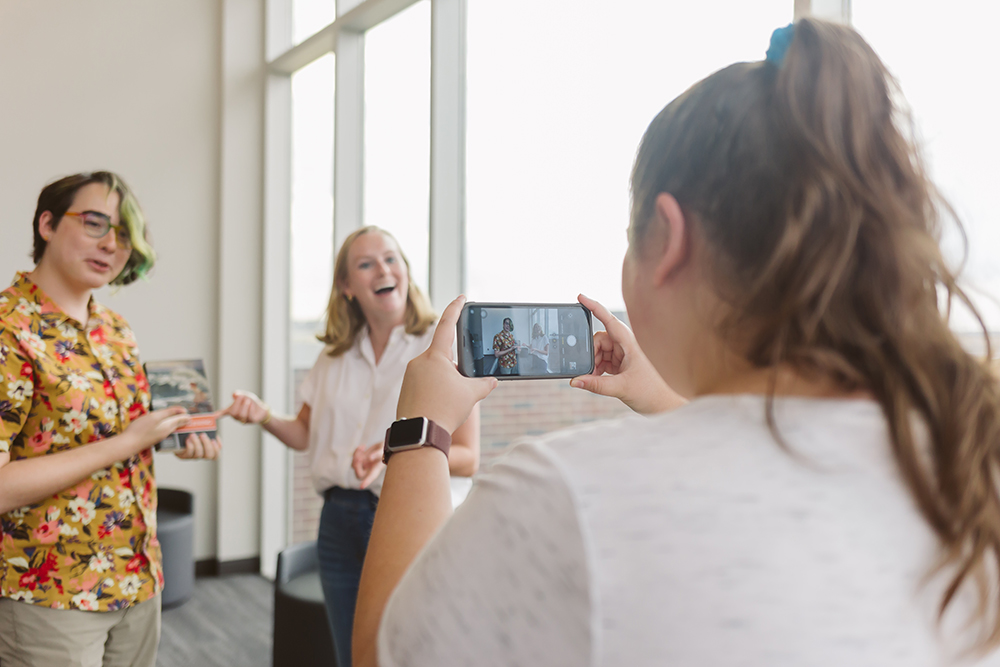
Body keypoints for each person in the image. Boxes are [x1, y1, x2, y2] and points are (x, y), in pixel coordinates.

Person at [353, 20, 1000, 667]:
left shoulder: (563, 495)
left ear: (671, 236)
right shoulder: (964, 457)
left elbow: (386, 652)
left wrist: (422, 428)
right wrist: (660, 394)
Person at [221, 226, 480, 667]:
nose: (383, 268)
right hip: (337, 521)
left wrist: (392, 455)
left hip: (404, 516)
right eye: (366, 263)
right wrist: (263, 414)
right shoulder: (333, 357)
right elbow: (305, 434)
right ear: (347, 287)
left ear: (405, 270)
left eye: (391, 258)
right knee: (352, 655)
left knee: (411, 650)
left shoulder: (440, 351)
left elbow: (468, 457)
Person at [0, 171, 222, 667]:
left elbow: (117, 433)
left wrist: (177, 435)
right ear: (48, 224)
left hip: (137, 577)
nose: (111, 244)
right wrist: (126, 442)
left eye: (123, 234)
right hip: (51, 592)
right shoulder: (8, 329)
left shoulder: (115, 329)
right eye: (96, 223)